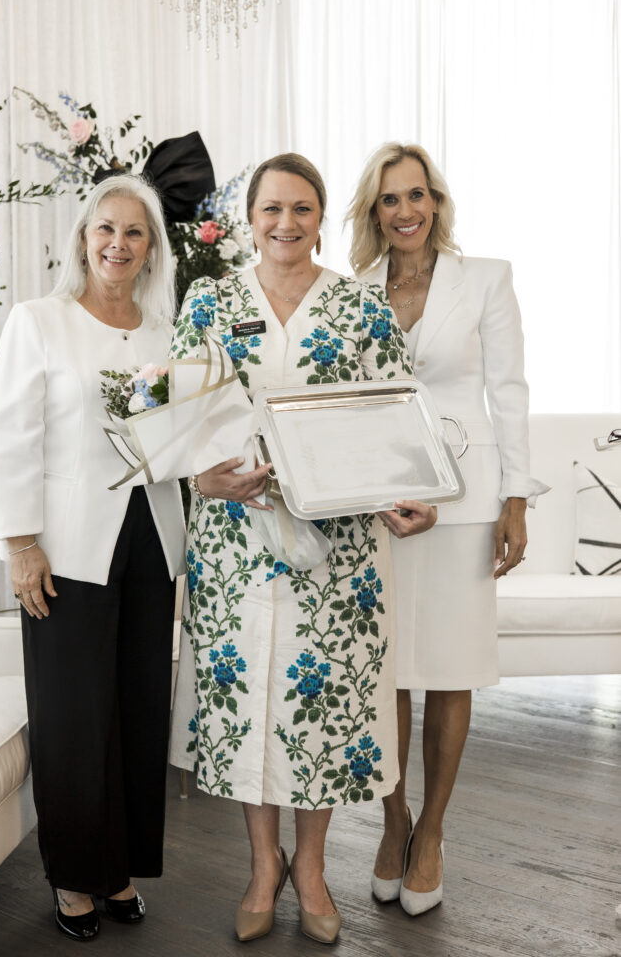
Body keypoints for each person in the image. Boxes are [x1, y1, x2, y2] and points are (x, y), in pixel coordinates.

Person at [168, 153, 437, 945]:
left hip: (338, 547)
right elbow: (182, 417)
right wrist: (202, 480)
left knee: (317, 709)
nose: (285, 223)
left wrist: (407, 501)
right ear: (247, 219)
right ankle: (263, 866)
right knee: (251, 702)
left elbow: (396, 423)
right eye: (270, 209)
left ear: (322, 218)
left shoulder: (360, 308)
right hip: (234, 543)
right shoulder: (210, 299)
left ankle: (312, 868)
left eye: (302, 209)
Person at [346, 143, 548, 915]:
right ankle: (392, 822)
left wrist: (516, 500)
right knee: (388, 673)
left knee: (450, 669)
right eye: (391, 199)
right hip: (382, 502)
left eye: (418, 195)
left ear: (437, 202)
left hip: (465, 499)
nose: (406, 211)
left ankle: (432, 832)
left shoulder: (485, 278)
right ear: (374, 212)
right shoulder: (354, 290)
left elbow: (508, 389)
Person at [0, 174, 186, 941]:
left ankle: (122, 867)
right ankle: (74, 874)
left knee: (138, 709)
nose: (117, 244)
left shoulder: (168, 333)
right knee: (73, 717)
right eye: (106, 228)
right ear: (82, 238)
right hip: (64, 546)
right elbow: (10, 437)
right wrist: (20, 541)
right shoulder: (39, 321)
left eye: (135, 233)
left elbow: (182, 440)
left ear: (151, 249)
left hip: (151, 538)